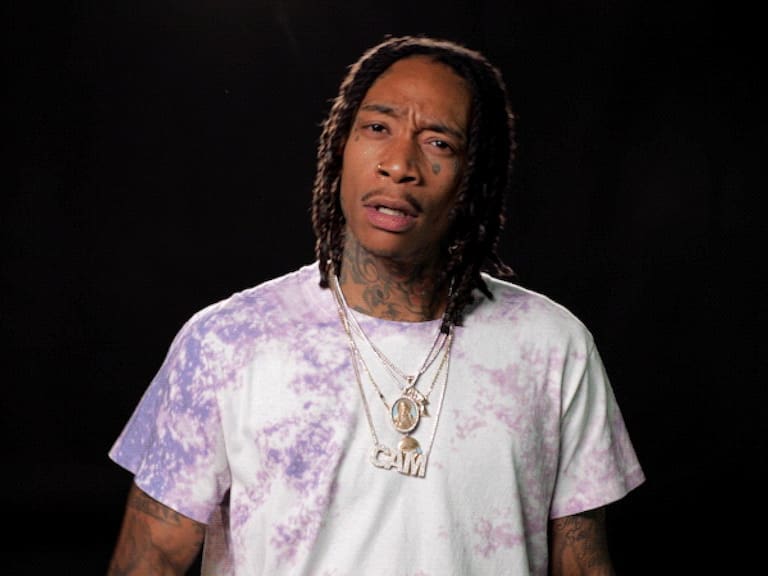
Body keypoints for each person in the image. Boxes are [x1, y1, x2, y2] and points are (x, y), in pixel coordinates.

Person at [107, 34, 645, 575]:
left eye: (439, 142)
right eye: (377, 128)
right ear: (341, 144)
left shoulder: (552, 346)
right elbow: (150, 559)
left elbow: (581, 564)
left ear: (476, 176)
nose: (399, 164)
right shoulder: (227, 341)